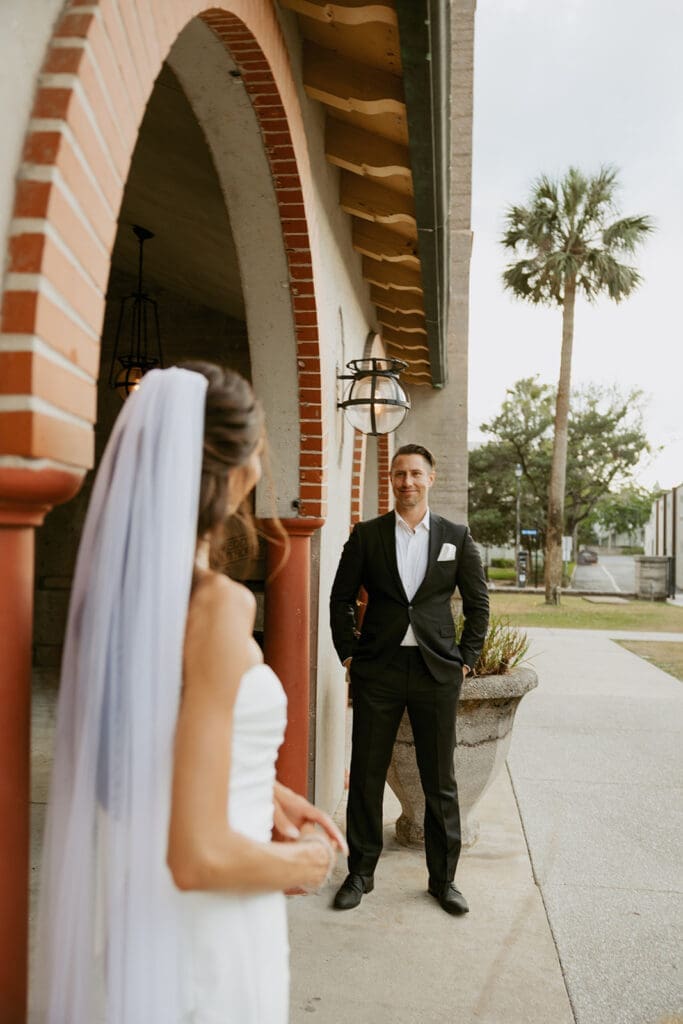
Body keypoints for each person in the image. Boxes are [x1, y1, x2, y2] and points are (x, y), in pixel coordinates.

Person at [32, 362, 346, 1024]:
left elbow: (144, 747)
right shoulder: (217, 607)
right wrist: (306, 862)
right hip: (207, 927)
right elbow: (197, 857)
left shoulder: (114, 603)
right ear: (237, 470)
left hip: (133, 909)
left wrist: (263, 789)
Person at [330, 443, 489, 915]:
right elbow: (340, 598)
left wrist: (465, 660)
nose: (407, 482)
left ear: (431, 478)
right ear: (392, 480)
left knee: (440, 779)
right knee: (365, 774)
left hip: (435, 672)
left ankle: (444, 880)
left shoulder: (455, 537)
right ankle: (360, 873)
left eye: (416, 473)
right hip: (378, 670)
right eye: (399, 474)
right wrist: (349, 655)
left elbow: (479, 604)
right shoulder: (368, 535)